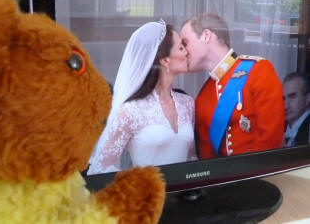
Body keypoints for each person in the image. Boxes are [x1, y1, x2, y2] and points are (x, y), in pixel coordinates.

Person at [88, 20, 197, 175]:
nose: (187, 52)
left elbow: (191, 157)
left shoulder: (187, 104)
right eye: (181, 47)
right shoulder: (129, 111)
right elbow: (101, 168)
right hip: (148, 196)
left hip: (183, 195)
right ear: (165, 60)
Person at [180, 13, 285, 159]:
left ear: (206, 35)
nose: (183, 52)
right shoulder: (203, 96)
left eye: (185, 43)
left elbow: (271, 137)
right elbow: (207, 157)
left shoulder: (258, 71)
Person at [283, 72, 310, 147]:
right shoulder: (280, 128)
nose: (285, 106)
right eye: (283, 98)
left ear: (307, 98)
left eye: (292, 96)